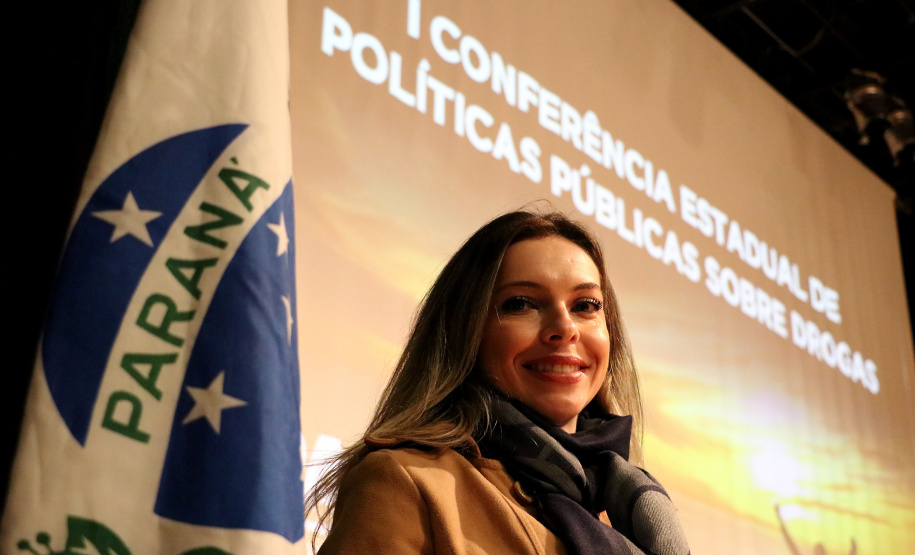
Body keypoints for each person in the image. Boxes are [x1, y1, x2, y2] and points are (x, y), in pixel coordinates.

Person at [308, 210, 690, 554]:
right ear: (467, 334)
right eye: (521, 303)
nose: (564, 328)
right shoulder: (407, 482)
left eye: (586, 306)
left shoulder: (627, 514)